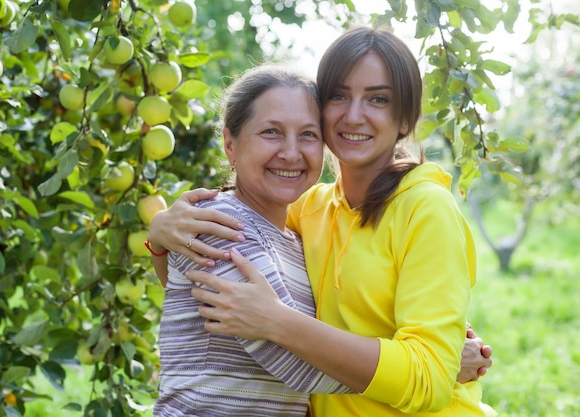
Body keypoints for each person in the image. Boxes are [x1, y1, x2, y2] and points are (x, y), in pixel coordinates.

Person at [147, 26, 496, 416]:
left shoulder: (426, 209)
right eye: (338, 96)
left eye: (378, 99)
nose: (354, 115)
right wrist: (160, 236)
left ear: (404, 120)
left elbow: (424, 378)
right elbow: (209, 294)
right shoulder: (303, 209)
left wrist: (435, 367)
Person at [149, 64, 357, 417]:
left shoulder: (295, 238)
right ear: (231, 145)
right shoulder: (218, 224)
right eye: (272, 132)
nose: (292, 153)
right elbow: (299, 365)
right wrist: (424, 364)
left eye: (308, 134)